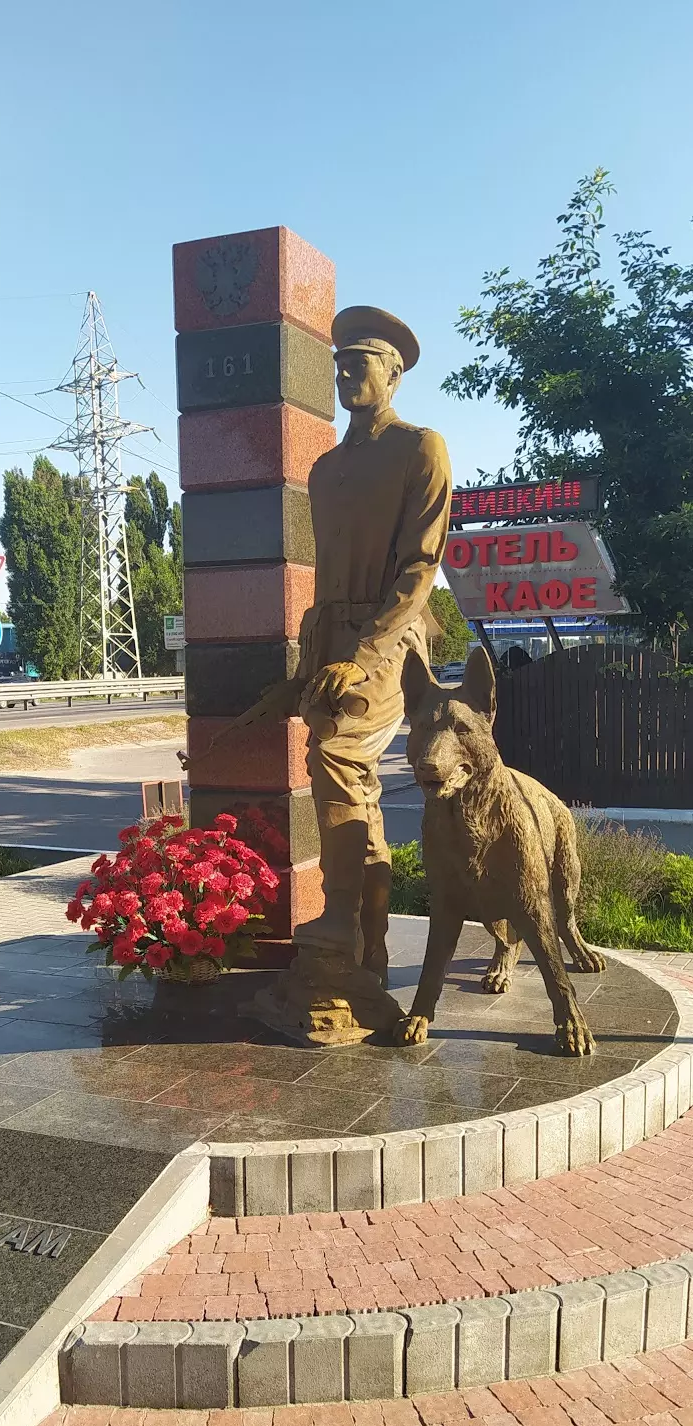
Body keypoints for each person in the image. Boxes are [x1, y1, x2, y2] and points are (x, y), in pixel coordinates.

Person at [294, 305, 452, 985]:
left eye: (360, 361)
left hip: (390, 641)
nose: (344, 371)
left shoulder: (420, 447)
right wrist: (309, 660)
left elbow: (419, 569)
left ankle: (340, 914)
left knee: (339, 753)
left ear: (393, 373)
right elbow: (325, 578)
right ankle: (371, 942)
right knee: (345, 777)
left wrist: (361, 655)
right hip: (332, 641)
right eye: (339, 361)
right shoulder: (325, 470)